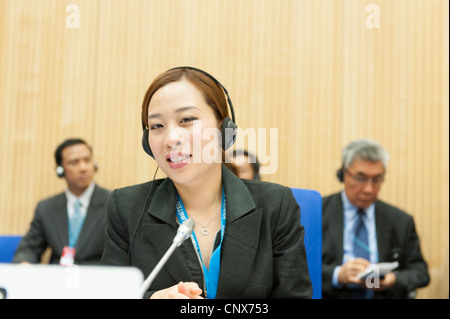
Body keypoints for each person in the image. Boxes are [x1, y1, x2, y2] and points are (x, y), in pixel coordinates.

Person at [101, 67, 312, 299]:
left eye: (187, 119)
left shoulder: (276, 205)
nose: (172, 139)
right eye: (157, 126)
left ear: (224, 130)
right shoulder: (126, 207)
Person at [322, 139, 430, 298]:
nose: (369, 189)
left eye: (376, 180)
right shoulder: (317, 212)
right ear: (342, 174)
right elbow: (296, 267)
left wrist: (394, 280)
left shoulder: (401, 221)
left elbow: (420, 273)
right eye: (360, 178)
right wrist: (337, 275)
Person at [13, 138, 110, 265]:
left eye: (87, 160)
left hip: (97, 279)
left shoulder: (113, 203)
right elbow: (30, 248)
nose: (83, 168)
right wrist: (24, 263)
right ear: (60, 170)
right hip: (57, 280)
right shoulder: (46, 208)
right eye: (74, 162)